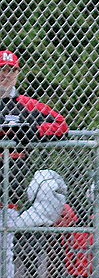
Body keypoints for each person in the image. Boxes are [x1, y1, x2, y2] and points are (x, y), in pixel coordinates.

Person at [0, 50, 69, 191]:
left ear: (17, 73)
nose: (7, 75)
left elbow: (61, 125)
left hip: (12, 187)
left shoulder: (27, 104)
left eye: (12, 70)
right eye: (2, 69)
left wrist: (33, 131)